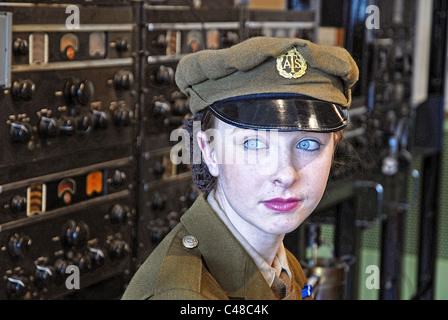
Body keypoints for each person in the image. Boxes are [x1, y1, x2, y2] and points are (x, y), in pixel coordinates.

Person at [122, 36, 359, 300]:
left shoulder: (279, 265)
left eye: (307, 143)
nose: (286, 174)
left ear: (334, 145)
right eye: (254, 143)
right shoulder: (183, 294)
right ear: (209, 152)